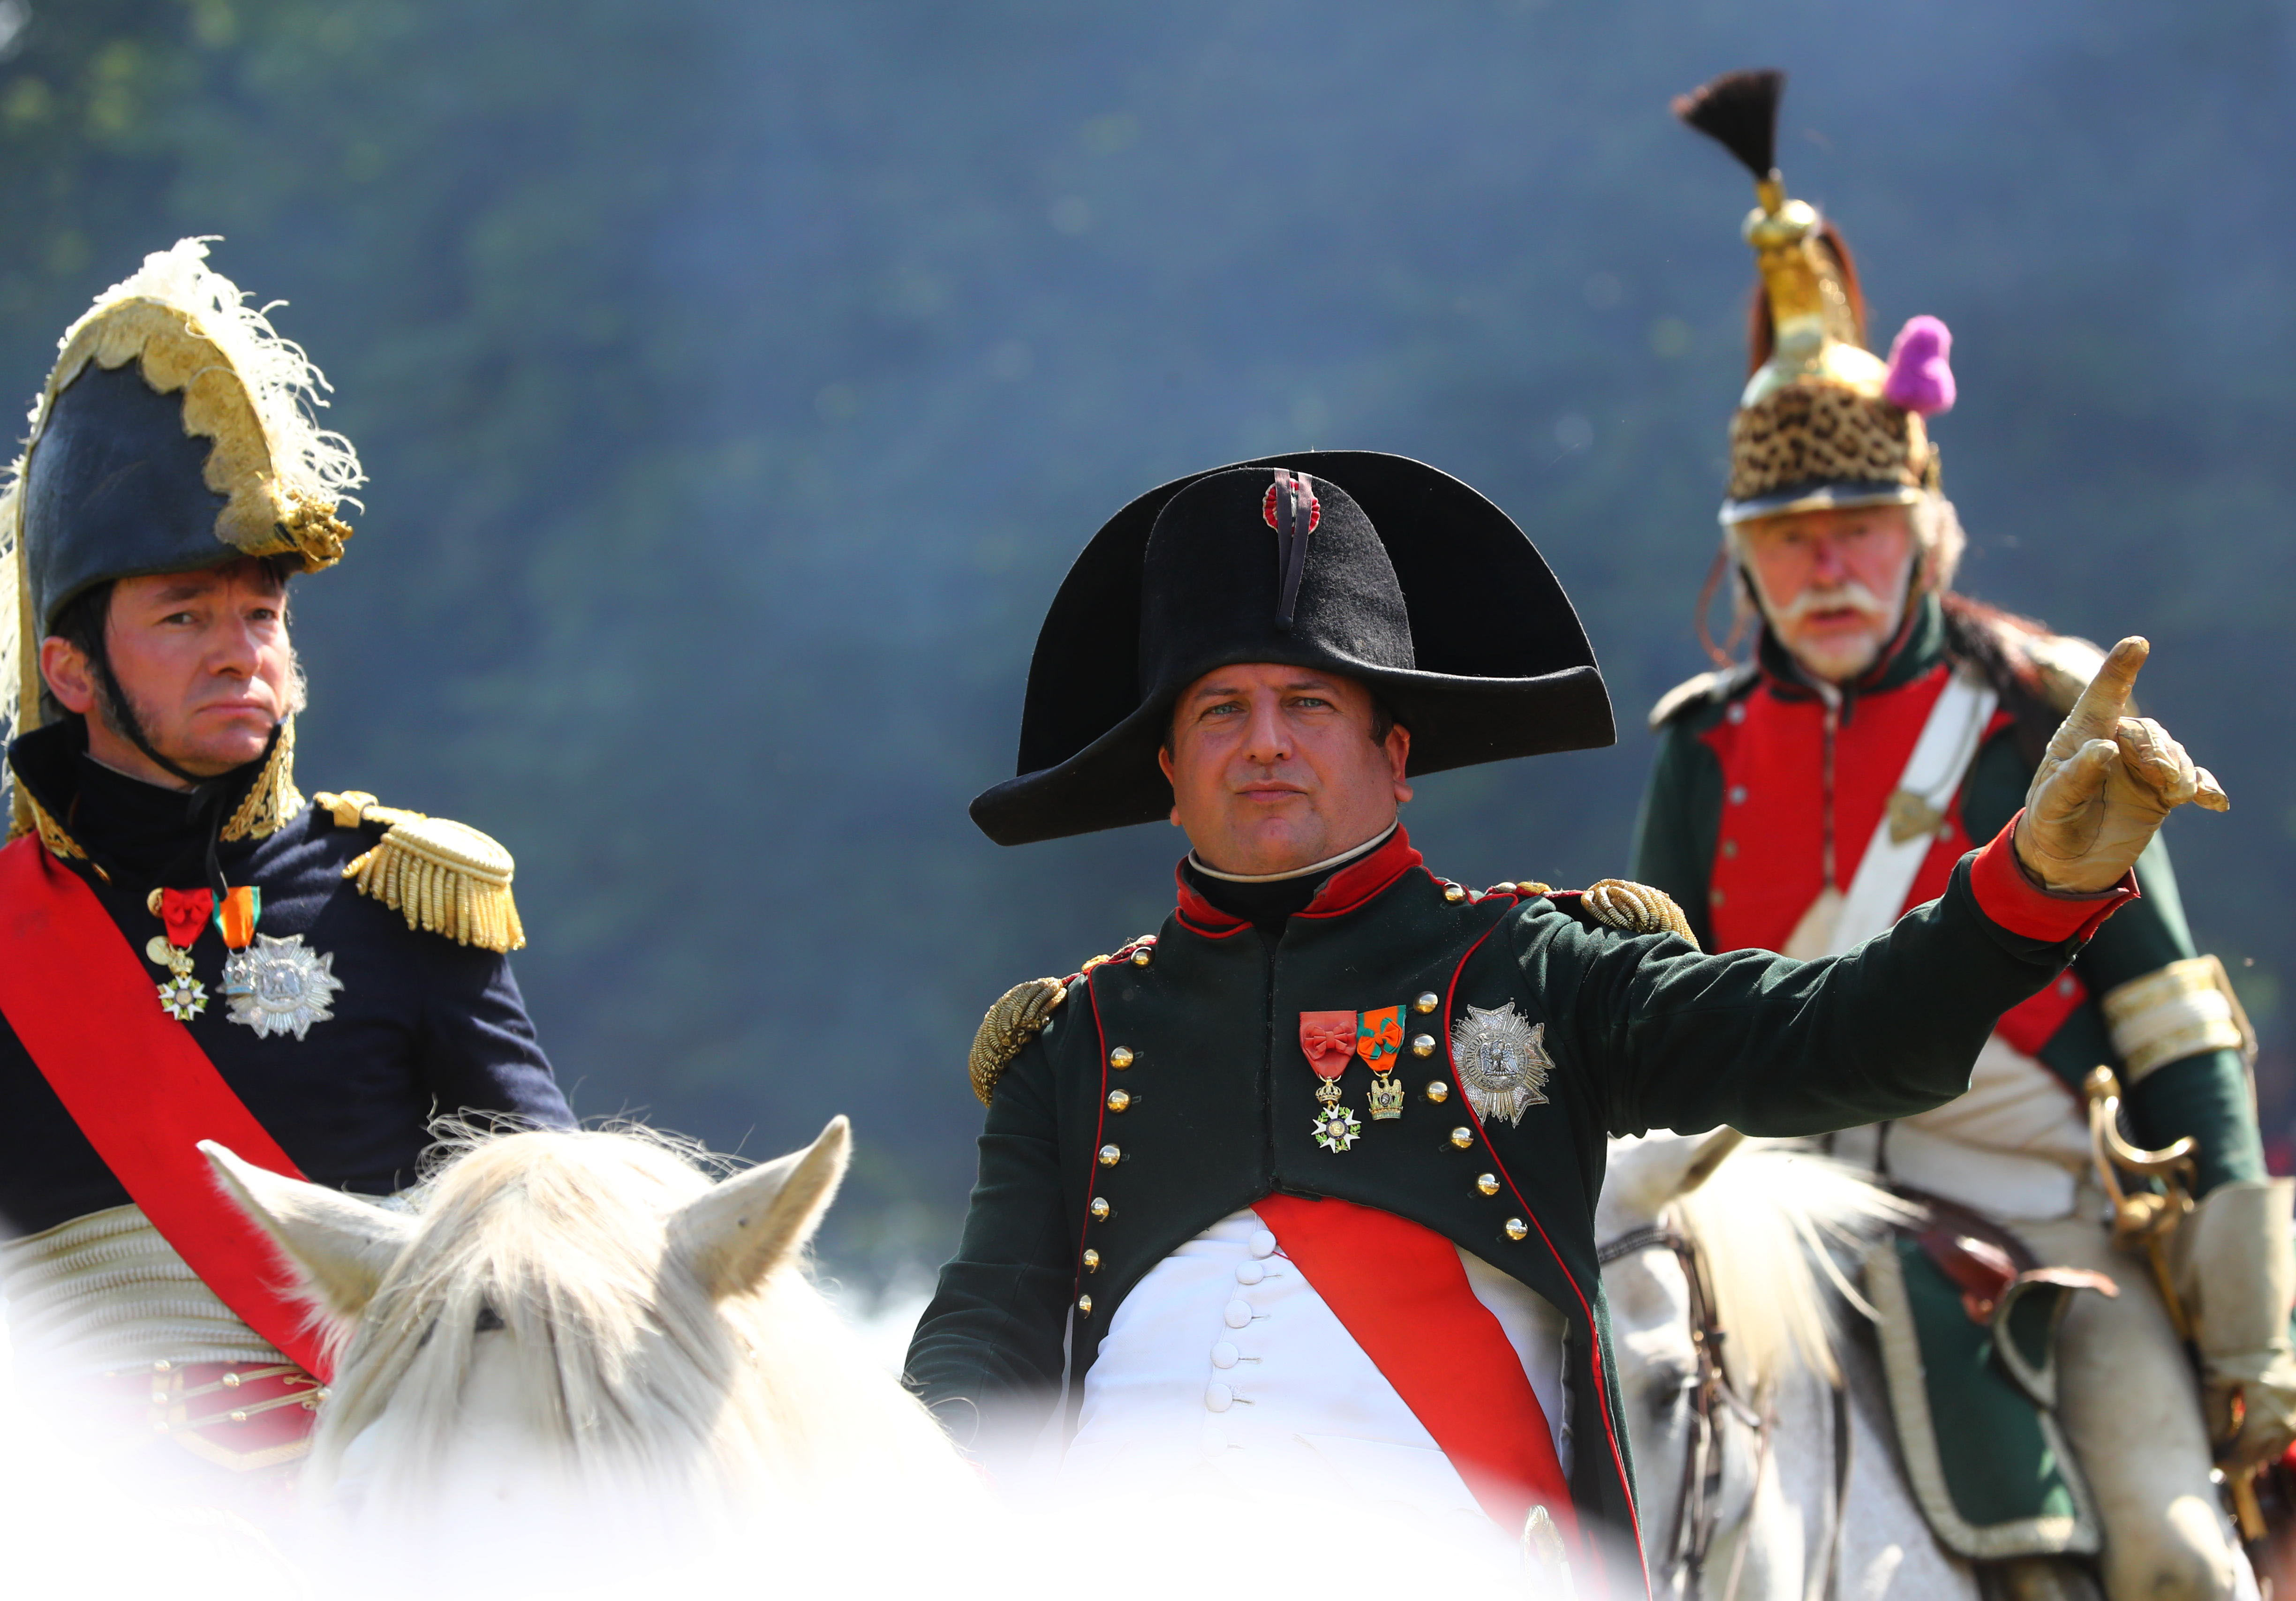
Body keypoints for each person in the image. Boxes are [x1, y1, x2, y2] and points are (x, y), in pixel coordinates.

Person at [904, 447, 2220, 1592]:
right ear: (1167, 772)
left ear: (1397, 754)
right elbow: (986, 1334)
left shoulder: (1540, 968)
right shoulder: (1074, 1045)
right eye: (1219, 711)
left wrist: (2027, 887)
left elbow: (1835, 1035)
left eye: (1310, 704)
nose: (1265, 744)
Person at [1631, 69, 2292, 1601]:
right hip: (1761, 1210)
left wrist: (2253, 1319)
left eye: (1858, 527)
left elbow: (2174, 1016)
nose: (1826, 568)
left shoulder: (2048, 714)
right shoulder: (1701, 745)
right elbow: (1643, 1017)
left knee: (2184, 1566)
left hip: (2033, 1215)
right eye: (1787, 542)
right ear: (1746, 562)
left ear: (1926, 526)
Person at [0, 240, 574, 1493]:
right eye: (185, 616)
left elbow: (551, 1246)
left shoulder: (407, 899)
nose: (240, 652)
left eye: (261, 615)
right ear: (73, 672)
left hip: (372, 1504)